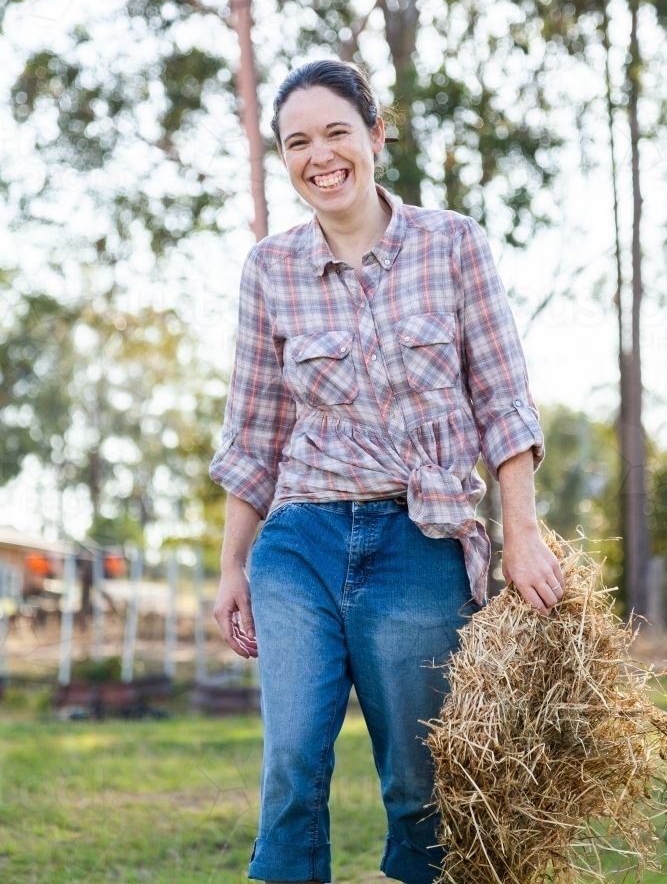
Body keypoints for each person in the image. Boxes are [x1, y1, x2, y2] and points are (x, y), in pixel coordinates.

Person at [210, 60, 564, 884]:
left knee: (417, 784)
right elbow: (254, 431)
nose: (318, 155)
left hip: (420, 541)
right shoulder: (269, 269)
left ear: (375, 135)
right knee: (292, 768)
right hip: (299, 542)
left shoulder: (453, 244)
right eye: (297, 142)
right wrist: (232, 565)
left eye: (336, 131)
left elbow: (503, 399)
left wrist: (521, 532)